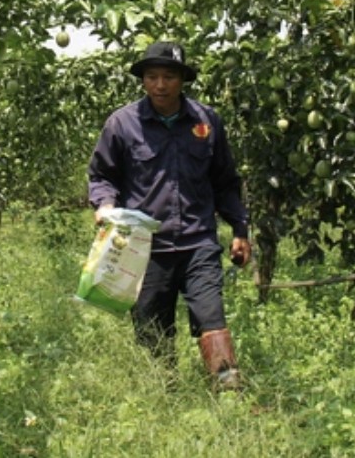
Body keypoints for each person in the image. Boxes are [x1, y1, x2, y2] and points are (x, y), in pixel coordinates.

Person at [87, 41, 251, 390]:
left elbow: (225, 182)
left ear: (182, 80)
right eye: (152, 77)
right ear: (143, 80)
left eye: (168, 77)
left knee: (211, 316)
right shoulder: (123, 124)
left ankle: (228, 387)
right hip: (145, 247)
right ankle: (164, 393)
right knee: (152, 329)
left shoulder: (206, 122)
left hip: (198, 242)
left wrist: (239, 228)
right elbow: (102, 175)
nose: (160, 85)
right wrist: (104, 204)